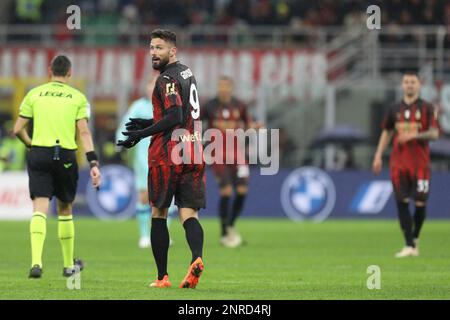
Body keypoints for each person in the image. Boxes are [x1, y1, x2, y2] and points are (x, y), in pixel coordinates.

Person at [117, 29, 206, 289]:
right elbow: (180, 114)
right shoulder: (187, 72)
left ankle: (162, 278)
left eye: (159, 48)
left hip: (168, 154)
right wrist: (148, 121)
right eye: (151, 47)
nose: (154, 53)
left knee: (158, 212)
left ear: (172, 51)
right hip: (193, 150)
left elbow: (175, 115)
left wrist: (142, 134)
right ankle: (197, 258)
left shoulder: (165, 79)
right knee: (189, 213)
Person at [13, 55, 102, 278]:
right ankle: (67, 266)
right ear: (70, 73)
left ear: (49, 70)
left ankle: (36, 263)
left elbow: (17, 129)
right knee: (65, 209)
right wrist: (93, 161)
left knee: (39, 208)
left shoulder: (34, 94)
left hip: (40, 152)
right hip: (65, 155)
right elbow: (83, 132)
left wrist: (30, 144)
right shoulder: (78, 97)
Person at [372, 71, 439, 258]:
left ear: (419, 85)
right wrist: (378, 155)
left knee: (420, 204)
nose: (410, 85)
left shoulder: (427, 108)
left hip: (421, 164)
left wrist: (414, 135)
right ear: (402, 85)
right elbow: (386, 133)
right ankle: (409, 245)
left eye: (413, 82)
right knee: (401, 202)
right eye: (406, 82)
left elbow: (434, 133)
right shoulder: (394, 110)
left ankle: (414, 239)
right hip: (399, 164)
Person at [116, 76, 177, 248]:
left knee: (167, 197)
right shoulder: (139, 106)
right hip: (144, 157)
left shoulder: (170, 107)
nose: (153, 88)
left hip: (167, 155)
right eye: (151, 84)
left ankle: (164, 234)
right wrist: (121, 143)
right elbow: (125, 125)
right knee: (144, 196)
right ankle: (144, 236)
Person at [203, 76, 260, 248]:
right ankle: (224, 232)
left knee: (242, 190)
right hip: (218, 154)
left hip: (238, 154)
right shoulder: (209, 106)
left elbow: (248, 124)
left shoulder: (239, 105)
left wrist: (255, 127)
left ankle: (230, 225)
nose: (223, 89)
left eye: (226, 86)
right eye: (220, 86)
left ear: (231, 88)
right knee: (226, 191)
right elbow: (196, 123)